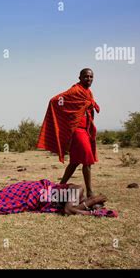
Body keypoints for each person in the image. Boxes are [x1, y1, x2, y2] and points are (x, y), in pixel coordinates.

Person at [37, 68, 100, 198]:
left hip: (86, 130)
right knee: (87, 161)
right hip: (77, 131)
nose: (89, 79)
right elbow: (55, 100)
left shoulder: (88, 92)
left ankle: (59, 187)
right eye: (86, 76)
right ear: (80, 77)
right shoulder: (75, 90)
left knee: (75, 162)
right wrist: (68, 121)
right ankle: (90, 192)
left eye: (91, 77)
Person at [0, 179, 116, 217]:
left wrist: (90, 208)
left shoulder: (78, 202)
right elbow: (69, 211)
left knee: (10, 198)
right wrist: (93, 204)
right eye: (94, 204)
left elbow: (71, 209)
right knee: (16, 191)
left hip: (44, 196)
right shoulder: (77, 189)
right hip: (41, 192)